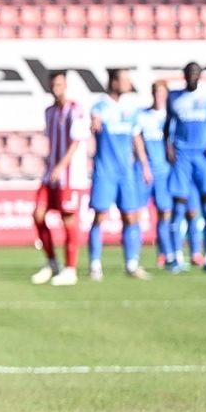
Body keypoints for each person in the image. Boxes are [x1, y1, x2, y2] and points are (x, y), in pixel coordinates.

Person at [84, 70, 152, 280]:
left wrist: (145, 165)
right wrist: (94, 123)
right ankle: (95, 264)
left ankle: (131, 264)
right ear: (114, 83)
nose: (129, 84)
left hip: (127, 172)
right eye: (125, 80)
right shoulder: (100, 106)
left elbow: (136, 138)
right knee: (100, 216)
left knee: (130, 216)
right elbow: (94, 119)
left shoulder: (131, 108)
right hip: (105, 171)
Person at [166, 59, 206, 273]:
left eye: (196, 73)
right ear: (184, 76)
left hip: (204, 156)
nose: (192, 76)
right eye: (189, 73)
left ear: (200, 75)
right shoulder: (174, 97)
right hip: (182, 156)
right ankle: (177, 259)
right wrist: (168, 146)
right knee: (178, 206)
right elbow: (167, 126)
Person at [30, 70, 87, 286]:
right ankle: (52, 263)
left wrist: (61, 166)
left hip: (69, 176)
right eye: (53, 85)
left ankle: (70, 269)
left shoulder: (75, 110)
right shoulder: (49, 112)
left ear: (66, 86)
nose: (56, 89)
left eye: (60, 85)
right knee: (38, 214)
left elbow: (76, 141)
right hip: (51, 174)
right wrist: (49, 163)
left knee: (68, 218)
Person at [138, 81, 176, 271]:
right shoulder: (142, 116)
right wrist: (144, 165)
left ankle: (165, 254)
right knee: (136, 214)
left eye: (162, 93)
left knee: (165, 213)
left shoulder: (171, 117)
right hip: (144, 172)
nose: (159, 96)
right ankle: (133, 259)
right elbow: (136, 141)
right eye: (156, 92)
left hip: (164, 173)